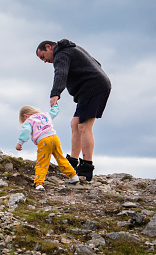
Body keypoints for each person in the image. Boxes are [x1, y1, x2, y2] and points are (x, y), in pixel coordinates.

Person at [36, 39, 111, 181]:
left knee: (84, 126)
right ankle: (72, 162)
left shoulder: (62, 54)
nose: (44, 61)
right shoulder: (73, 49)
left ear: (48, 47)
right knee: (75, 124)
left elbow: (61, 73)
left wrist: (55, 93)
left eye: (43, 57)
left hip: (94, 88)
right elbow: (97, 64)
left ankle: (86, 167)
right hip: (90, 89)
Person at [15, 105, 79, 190]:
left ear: (25, 116)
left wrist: (20, 143)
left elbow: (26, 131)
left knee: (42, 162)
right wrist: (55, 105)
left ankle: (39, 183)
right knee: (61, 158)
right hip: (55, 138)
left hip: (44, 141)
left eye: (23, 121)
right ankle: (73, 176)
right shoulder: (45, 115)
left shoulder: (29, 120)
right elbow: (54, 112)